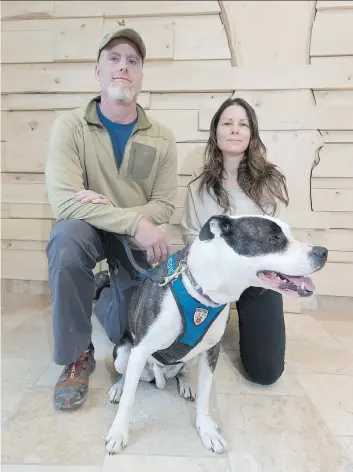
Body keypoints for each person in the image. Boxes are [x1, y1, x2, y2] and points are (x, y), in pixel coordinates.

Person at [45, 28, 178, 410]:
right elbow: (65, 203)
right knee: (66, 237)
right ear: (98, 70)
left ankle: (102, 290)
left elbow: (164, 204)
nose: (123, 67)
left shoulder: (162, 137)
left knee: (129, 332)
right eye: (114, 58)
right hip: (89, 232)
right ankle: (75, 355)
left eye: (133, 61)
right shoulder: (69, 127)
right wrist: (134, 220)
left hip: (133, 244)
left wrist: (119, 216)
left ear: (141, 75)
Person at [180, 97, 289, 386]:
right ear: (216, 132)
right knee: (178, 354)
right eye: (227, 123)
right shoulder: (197, 187)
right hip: (213, 281)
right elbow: (190, 234)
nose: (235, 130)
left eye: (243, 124)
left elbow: (280, 239)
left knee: (266, 372)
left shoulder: (270, 183)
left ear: (251, 133)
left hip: (258, 280)